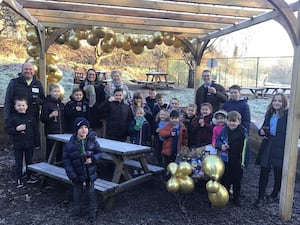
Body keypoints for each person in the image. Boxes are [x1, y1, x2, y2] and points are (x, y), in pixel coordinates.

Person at [63, 117, 101, 222]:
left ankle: (92, 212)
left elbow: (99, 153)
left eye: (85, 127)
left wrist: (93, 159)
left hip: (90, 172)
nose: (83, 130)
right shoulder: (70, 144)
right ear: (76, 130)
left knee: (91, 193)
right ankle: (78, 211)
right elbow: (66, 161)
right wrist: (72, 175)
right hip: (77, 173)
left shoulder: (92, 141)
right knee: (77, 193)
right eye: (80, 128)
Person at [254, 93, 288, 208]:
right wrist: (261, 132)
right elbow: (263, 128)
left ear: (284, 103)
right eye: (275, 100)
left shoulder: (287, 115)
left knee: (278, 172)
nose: (277, 103)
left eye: (279, 101)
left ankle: (274, 194)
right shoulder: (269, 114)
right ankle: (260, 197)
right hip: (268, 144)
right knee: (264, 171)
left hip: (281, 146)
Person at [5, 97, 39, 188]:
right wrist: (16, 129)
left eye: (23, 105)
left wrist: (37, 143)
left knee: (29, 161)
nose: (21, 107)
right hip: (18, 144)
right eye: (19, 105)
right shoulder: (12, 118)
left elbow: (36, 131)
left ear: (27, 106)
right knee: (18, 162)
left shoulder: (31, 117)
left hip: (29, 143)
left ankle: (29, 176)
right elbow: (7, 129)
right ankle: (18, 178)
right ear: (15, 107)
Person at [216, 111, 248, 207]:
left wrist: (244, 162)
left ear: (239, 122)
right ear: (226, 121)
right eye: (230, 121)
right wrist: (221, 146)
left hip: (237, 160)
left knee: (237, 180)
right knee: (225, 179)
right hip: (226, 159)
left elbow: (246, 149)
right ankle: (224, 196)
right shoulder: (224, 131)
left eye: (234, 121)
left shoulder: (243, 132)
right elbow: (218, 141)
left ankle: (236, 198)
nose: (232, 123)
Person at [222, 84, 251, 167]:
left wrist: (245, 134)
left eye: (235, 93)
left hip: (239, 132)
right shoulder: (227, 104)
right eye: (231, 93)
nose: (233, 94)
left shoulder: (244, 105)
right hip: (228, 130)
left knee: (237, 152)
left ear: (239, 93)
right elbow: (222, 115)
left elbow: (247, 121)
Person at [40, 83, 65, 161]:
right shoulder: (46, 104)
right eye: (55, 91)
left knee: (60, 151)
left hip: (61, 132)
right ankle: (48, 167)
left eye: (58, 91)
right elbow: (43, 119)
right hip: (51, 132)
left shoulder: (61, 104)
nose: (57, 93)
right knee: (50, 151)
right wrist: (50, 115)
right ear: (50, 92)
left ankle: (59, 166)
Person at [79, 68, 106, 134]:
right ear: (87, 75)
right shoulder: (82, 85)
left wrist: (99, 108)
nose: (91, 76)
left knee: (96, 132)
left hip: (96, 111)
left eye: (93, 74)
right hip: (86, 110)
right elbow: (79, 96)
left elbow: (103, 99)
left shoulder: (100, 85)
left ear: (96, 76)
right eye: (90, 74)